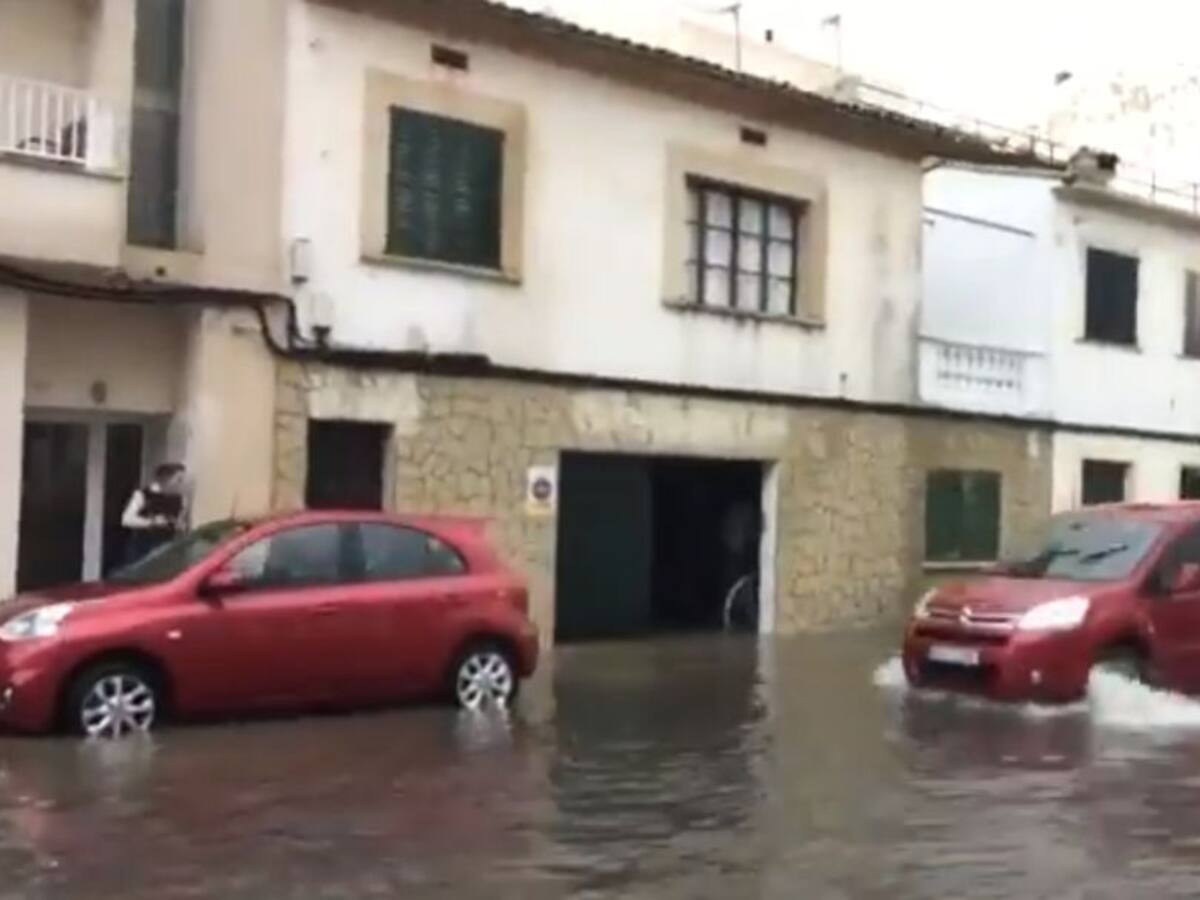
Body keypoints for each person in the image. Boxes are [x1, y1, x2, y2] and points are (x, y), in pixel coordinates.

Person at [121, 463, 187, 563]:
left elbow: (181, 523)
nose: (180, 484)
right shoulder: (142, 495)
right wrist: (152, 522)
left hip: (166, 549)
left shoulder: (179, 499)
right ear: (166, 479)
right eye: (178, 480)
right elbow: (126, 520)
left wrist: (179, 525)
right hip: (142, 548)